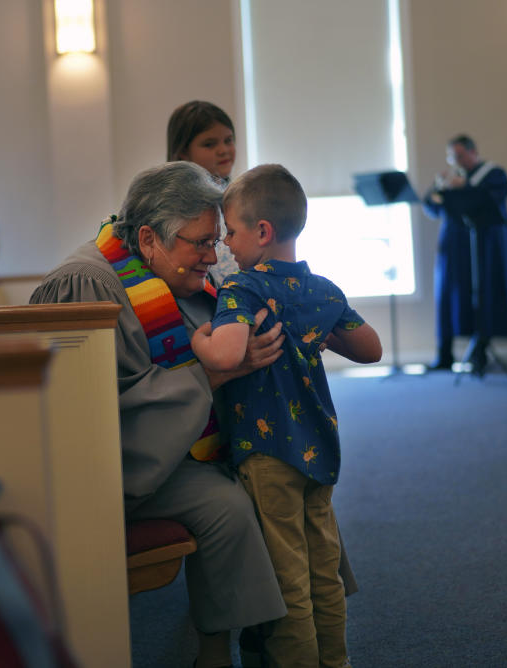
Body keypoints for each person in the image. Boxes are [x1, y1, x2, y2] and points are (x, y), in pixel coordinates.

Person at [30, 161, 288, 668]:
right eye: (199, 243)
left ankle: (297, 628)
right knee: (227, 505)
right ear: (148, 239)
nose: (212, 257)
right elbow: (101, 417)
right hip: (116, 467)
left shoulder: (171, 273)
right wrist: (213, 375)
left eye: (216, 241)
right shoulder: (87, 287)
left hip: (179, 447)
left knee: (280, 466)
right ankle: (218, 653)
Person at [192, 164, 382, 668]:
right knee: (324, 572)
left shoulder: (242, 290)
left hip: (270, 452)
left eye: (229, 231)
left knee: (287, 578)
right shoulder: (322, 289)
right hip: (319, 446)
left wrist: (200, 341)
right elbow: (371, 349)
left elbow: (229, 355)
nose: (226, 244)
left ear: (262, 232)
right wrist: (318, 329)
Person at [422, 134, 507, 375]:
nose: (456, 162)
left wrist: (466, 188)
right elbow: (432, 206)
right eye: (452, 157)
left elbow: (495, 200)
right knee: (448, 295)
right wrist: (440, 187)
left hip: (484, 244)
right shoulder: (451, 178)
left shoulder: (493, 174)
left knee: (483, 293)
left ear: (474, 153)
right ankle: (445, 354)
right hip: (454, 245)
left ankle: (480, 351)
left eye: (460, 156)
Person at [167, 100, 240, 284]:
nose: (223, 150)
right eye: (209, 144)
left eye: (228, 140)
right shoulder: (175, 204)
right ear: (183, 151)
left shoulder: (240, 196)